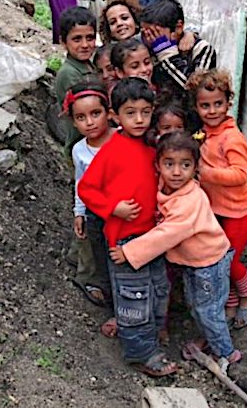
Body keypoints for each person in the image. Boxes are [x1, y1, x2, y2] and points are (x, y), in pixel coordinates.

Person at [110, 131, 241, 365]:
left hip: (209, 263)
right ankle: (211, 338)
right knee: (197, 304)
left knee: (207, 310)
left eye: (185, 165)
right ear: (158, 165)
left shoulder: (190, 201)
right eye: (169, 164)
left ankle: (226, 353)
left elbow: (166, 234)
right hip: (194, 261)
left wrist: (129, 252)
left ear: (195, 168)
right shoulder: (166, 187)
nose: (177, 172)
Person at [78, 78, 176, 377]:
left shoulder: (151, 147)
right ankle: (141, 353)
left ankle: (152, 333)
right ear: (115, 116)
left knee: (157, 288)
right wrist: (113, 208)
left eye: (145, 112)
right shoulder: (112, 151)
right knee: (134, 296)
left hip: (152, 237)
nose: (139, 120)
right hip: (125, 239)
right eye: (130, 113)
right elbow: (86, 188)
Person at [185, 69, 247, 329]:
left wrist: (206, 173)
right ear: (196, 107)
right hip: (218, 211)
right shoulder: (205, 133)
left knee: (228, 261)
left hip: (240, 212)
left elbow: (240, 174)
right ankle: (230, 301)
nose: (212, 111)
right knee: (218, 260)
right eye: (205, 105)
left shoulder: (231, 138)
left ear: (228, 103)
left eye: (218, 104)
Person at [65, 82, 116, 307]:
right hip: (96, 211)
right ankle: (101, 286)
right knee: (97, 248)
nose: (90, 122)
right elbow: (81, 182)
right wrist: (79, 212)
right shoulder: (79, 150)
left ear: (109, 113)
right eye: (81, 117)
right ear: (73, 122)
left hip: (125, 209)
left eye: (96, 113)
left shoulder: (122, 138)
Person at [140, 0, 216, 96]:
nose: (149, 38)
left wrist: (166, 53)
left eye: (154, 33)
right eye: (144, 33)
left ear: (178, 28)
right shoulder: (144, 48)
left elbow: (196, 90)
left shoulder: (201, 49)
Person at [54, 6, 98, 156]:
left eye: (90, 38)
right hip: (84, 148)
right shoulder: (69, 74)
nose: (85, 45)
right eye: (77, 39)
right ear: (63, 42)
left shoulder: (90, 66)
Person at [100, 0, 197, 50]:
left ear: (136, 22)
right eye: (113, 22)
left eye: (124, 18)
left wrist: (189, 34)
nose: (119, 23)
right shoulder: (108, 53)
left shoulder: (147, 38)